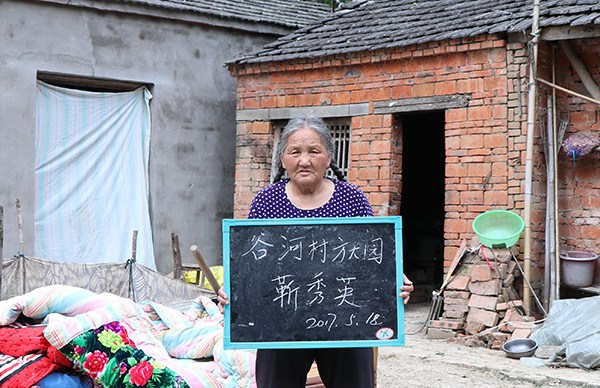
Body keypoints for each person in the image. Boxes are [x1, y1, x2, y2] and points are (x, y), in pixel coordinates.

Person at [217, 115, 414, 388]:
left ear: (329, 157)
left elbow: (374, 256)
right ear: (283, 159)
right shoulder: (266, 202)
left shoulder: (351, 199)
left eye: (314, 151)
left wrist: (393, 278)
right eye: (295, 152)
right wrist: (234, 291)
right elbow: (251, 265)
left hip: (346, 322)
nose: (304, 160)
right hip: (280, 324)